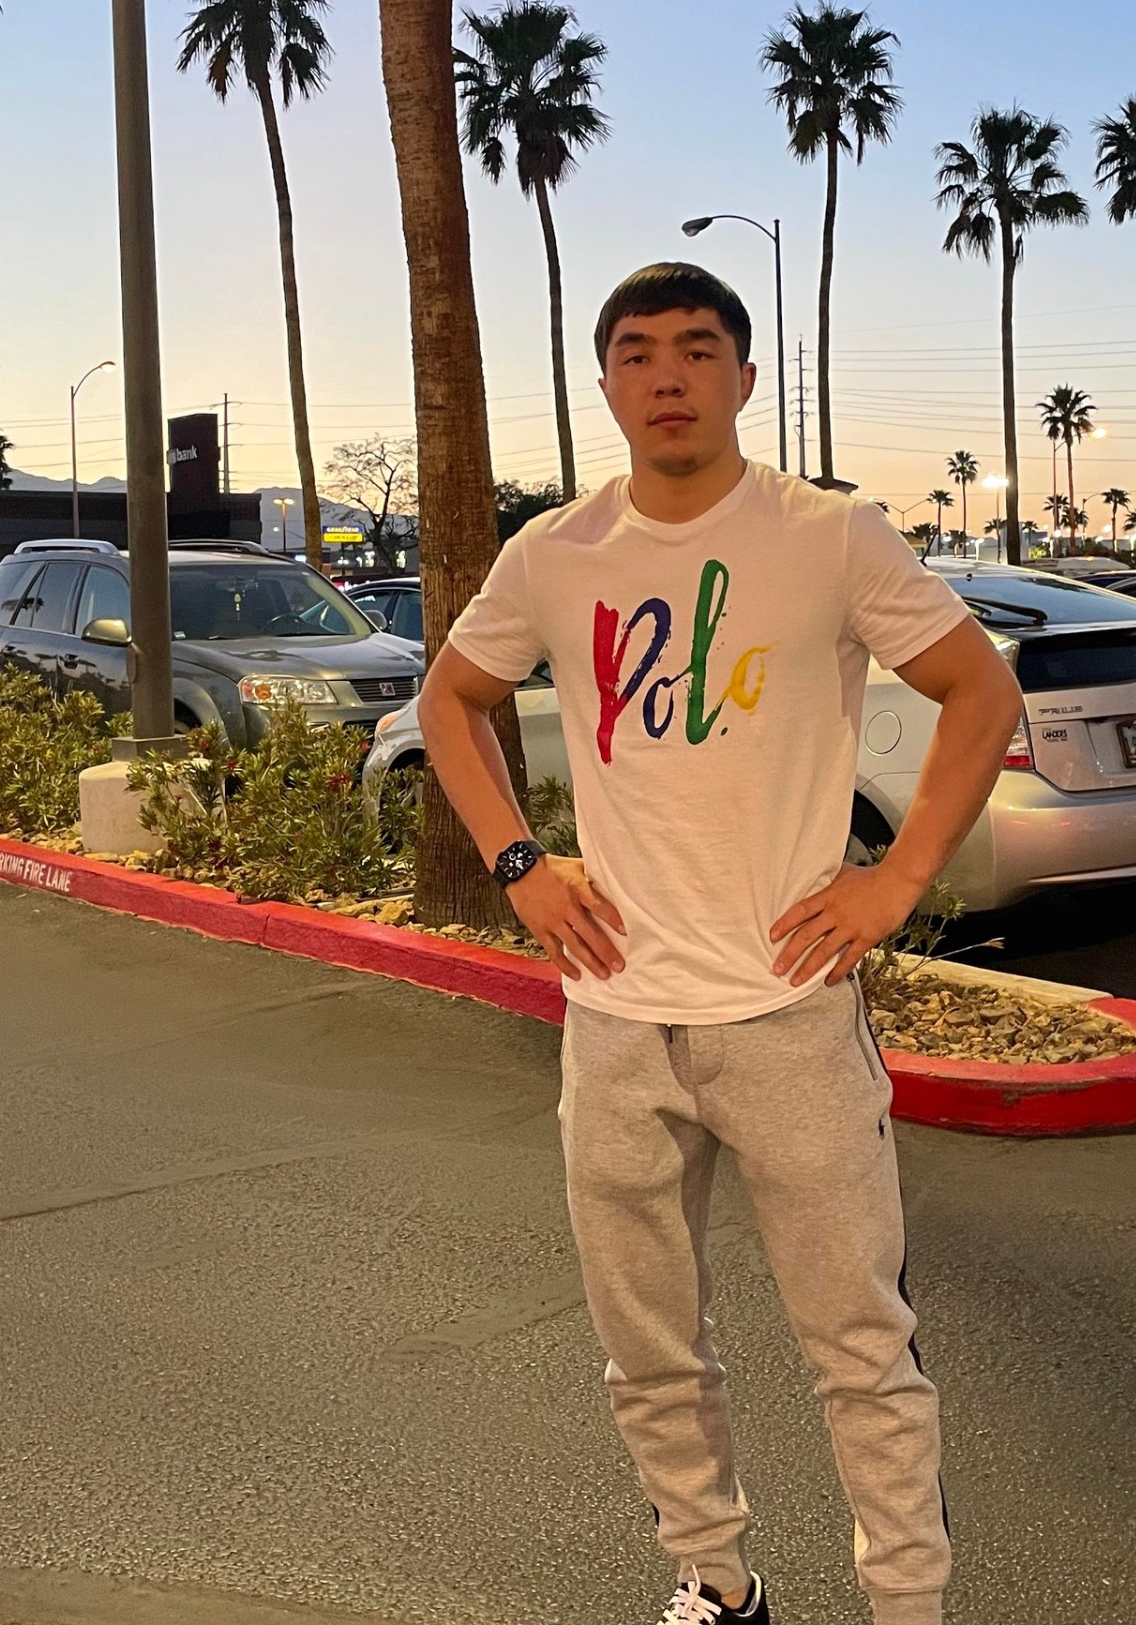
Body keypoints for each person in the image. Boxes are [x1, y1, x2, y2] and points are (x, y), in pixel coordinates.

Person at [419, 262, 1022, 1625]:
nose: (668, 376)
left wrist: (895, 881)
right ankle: (714, 1581)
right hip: (618, 1021)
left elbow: (980, 692)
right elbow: (452, 698)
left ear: (746, 378)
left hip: (789, 1016)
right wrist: (519, 865)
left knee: (860, 1349)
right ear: (607, 386)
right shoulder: (555, 553)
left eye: (697, 349)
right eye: (637, 353)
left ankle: (908, 1607)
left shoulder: (830, 536)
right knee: (646, 1351)